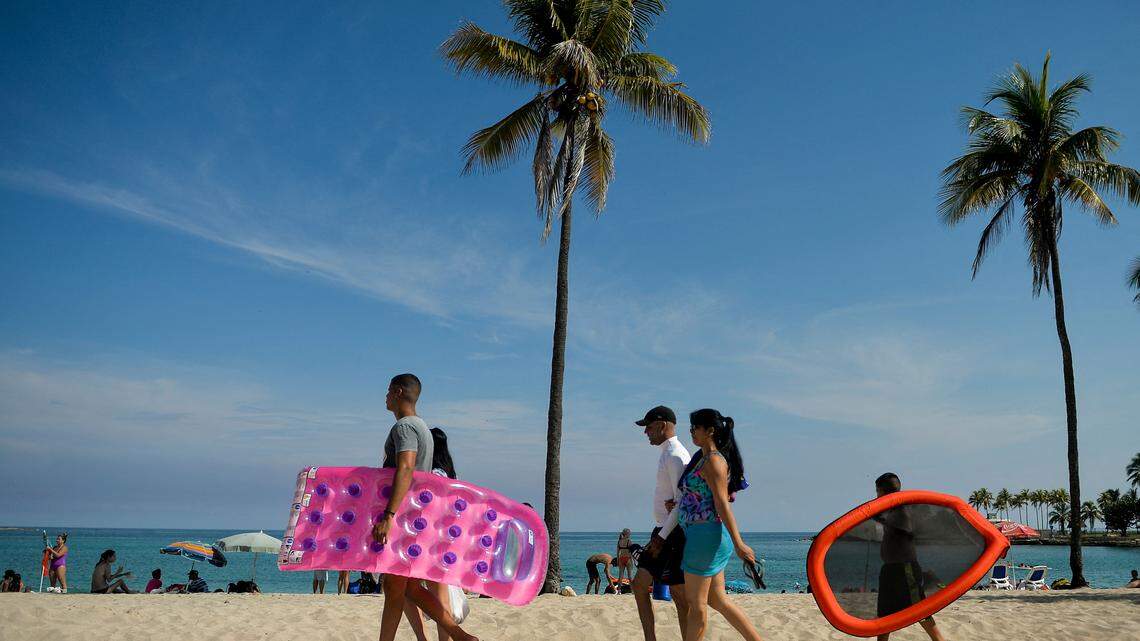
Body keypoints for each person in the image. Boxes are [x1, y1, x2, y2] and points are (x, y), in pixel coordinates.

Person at [371, 373, 478, 641]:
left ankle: (460, 636)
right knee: (405, 588)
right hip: (415, 518)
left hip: (401, 518)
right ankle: (461, 636)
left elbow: (406, 467)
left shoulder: (405, 427)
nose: (385, 396)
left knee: (395, 587)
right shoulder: (422, 428)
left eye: (388, 391)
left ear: (398, 392)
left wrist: (389, 515)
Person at [679, 409, 763, 641]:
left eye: (695, 428)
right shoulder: (704, 458)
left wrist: (739, 544)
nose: (691, 432)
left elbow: (722, 505)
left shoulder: (714, 461)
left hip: (704, 538)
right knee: (718, 600)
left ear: (710, 431)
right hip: (704, 536)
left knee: (696, 605)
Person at [631, 406, 692, 641]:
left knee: (679, 595)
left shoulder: (676, 455)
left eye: (648, 426)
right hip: (662, 530)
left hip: (672, 534)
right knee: (639, 585)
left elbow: (683, 501)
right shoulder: (667, 453)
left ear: (662, 425)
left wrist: (661, 537)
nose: (645, 432)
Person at [405, 427, 465, 641]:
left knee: (407, 589)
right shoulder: (452, 474)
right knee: (440, 597)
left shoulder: (433, 473)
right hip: (444, 539)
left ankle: (424, 638)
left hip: (426, 539)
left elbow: (426, 504)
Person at [872, 473, 946, 641]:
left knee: (920, 611)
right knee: (884, 615)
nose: (876, 496)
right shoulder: (890, 512)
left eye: (877, 491)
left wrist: (879, 518)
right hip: (889, 570)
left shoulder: (902, 511)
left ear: (884, 492)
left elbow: (905, 529)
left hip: (905, 569)